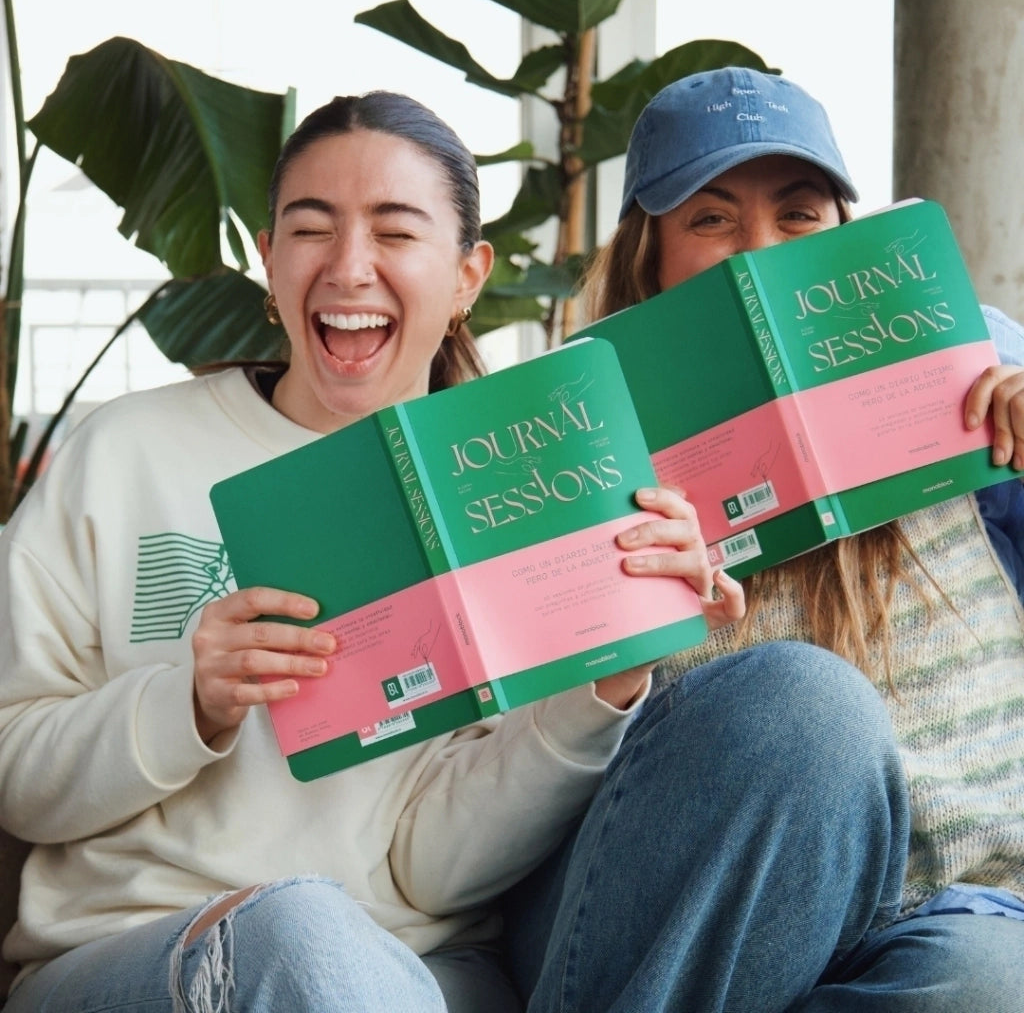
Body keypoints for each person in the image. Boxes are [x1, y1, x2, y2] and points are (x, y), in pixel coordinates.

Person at [0, 87, 781, 1013]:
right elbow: (15, 779)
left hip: (397, 973)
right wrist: (192, 703)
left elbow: (435, 874)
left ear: (467, 275)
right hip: (131, 955)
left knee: (325, 943)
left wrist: (604, 682)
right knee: (299, 933)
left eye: (396, 232)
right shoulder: (123, 452)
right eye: (311, 229)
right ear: (268, 259)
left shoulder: (518, 495)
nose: (349, 266)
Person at [502, 66, 1024, 1012]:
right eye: (711, 220)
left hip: (950, 908)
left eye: (797, 215)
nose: (755, 253)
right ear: (649, 253)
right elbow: (512, 759)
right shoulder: (570, 435)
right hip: (674, 899)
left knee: (990, 990)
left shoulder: (966, 357)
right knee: (807, 700)